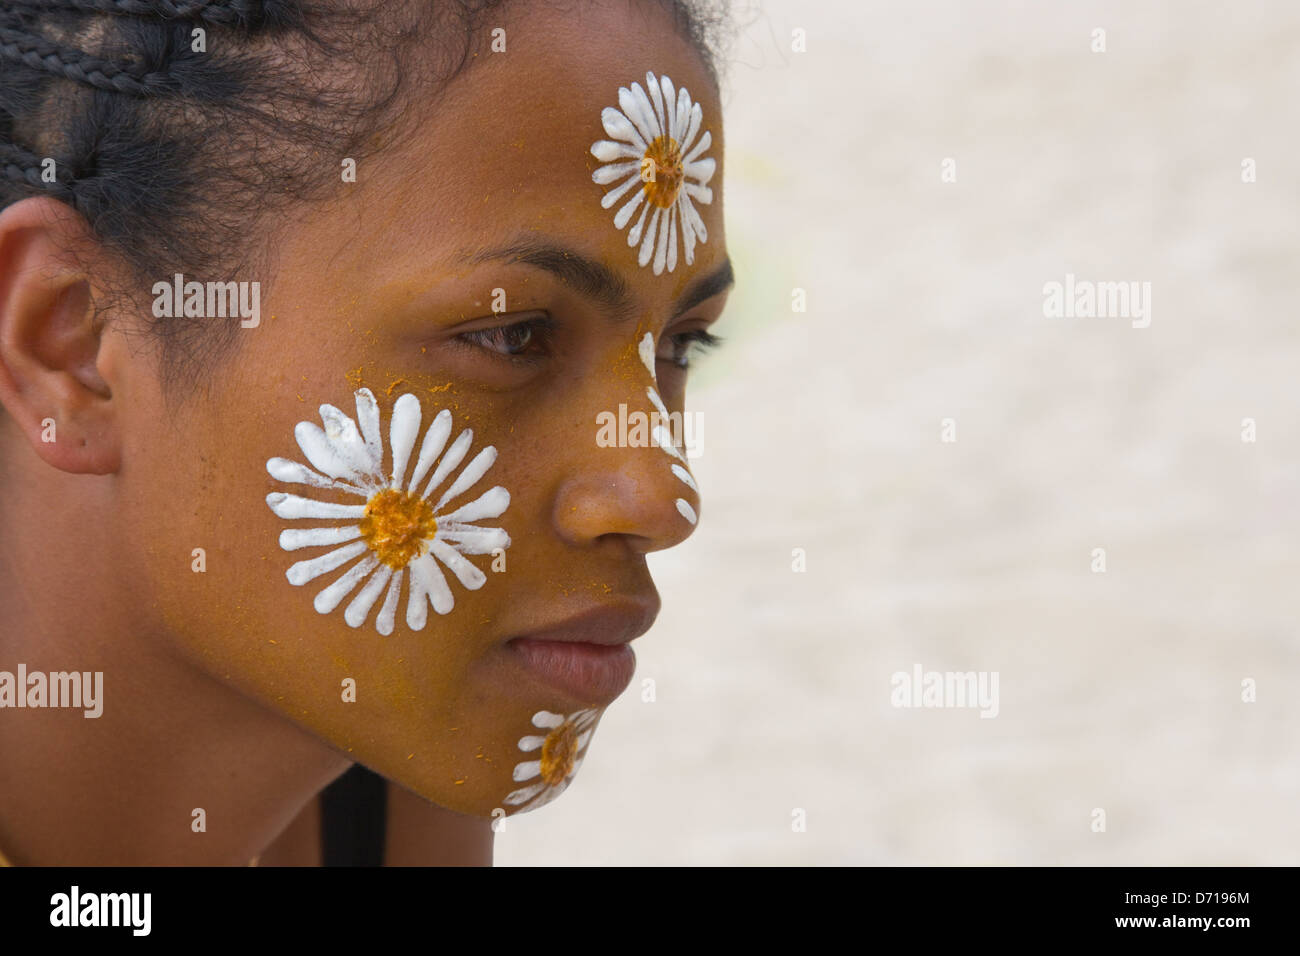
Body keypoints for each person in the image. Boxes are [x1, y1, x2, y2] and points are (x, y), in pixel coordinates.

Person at [0, 0, 733, 865]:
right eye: (510, 336)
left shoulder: (382, 784)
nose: (661, 497)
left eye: (681, 343)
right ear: (73, 343)